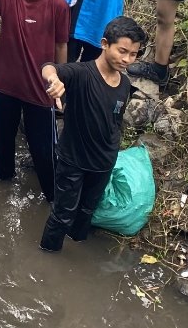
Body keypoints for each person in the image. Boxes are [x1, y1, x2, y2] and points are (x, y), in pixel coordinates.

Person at [39, 16, 145, 252]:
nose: (127, 59)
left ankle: (78, 246)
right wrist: (54, 80)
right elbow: (49, 67)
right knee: (63, 214)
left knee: (87, 210)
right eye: (122, 51)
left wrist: (113, 151)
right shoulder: (81, 73)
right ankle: (47, 256)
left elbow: (115, 121)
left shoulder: (125, 84)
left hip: (104, 162)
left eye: (134, 54)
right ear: (105, 43)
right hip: (73, 160)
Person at [0, 0, 70, 201]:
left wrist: (61, 83)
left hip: (40, 89)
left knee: (43, 149)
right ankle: (0, 189)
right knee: (4, 140)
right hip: (6, 84)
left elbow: (61, 45)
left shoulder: (58, 5)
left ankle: (53, 198)